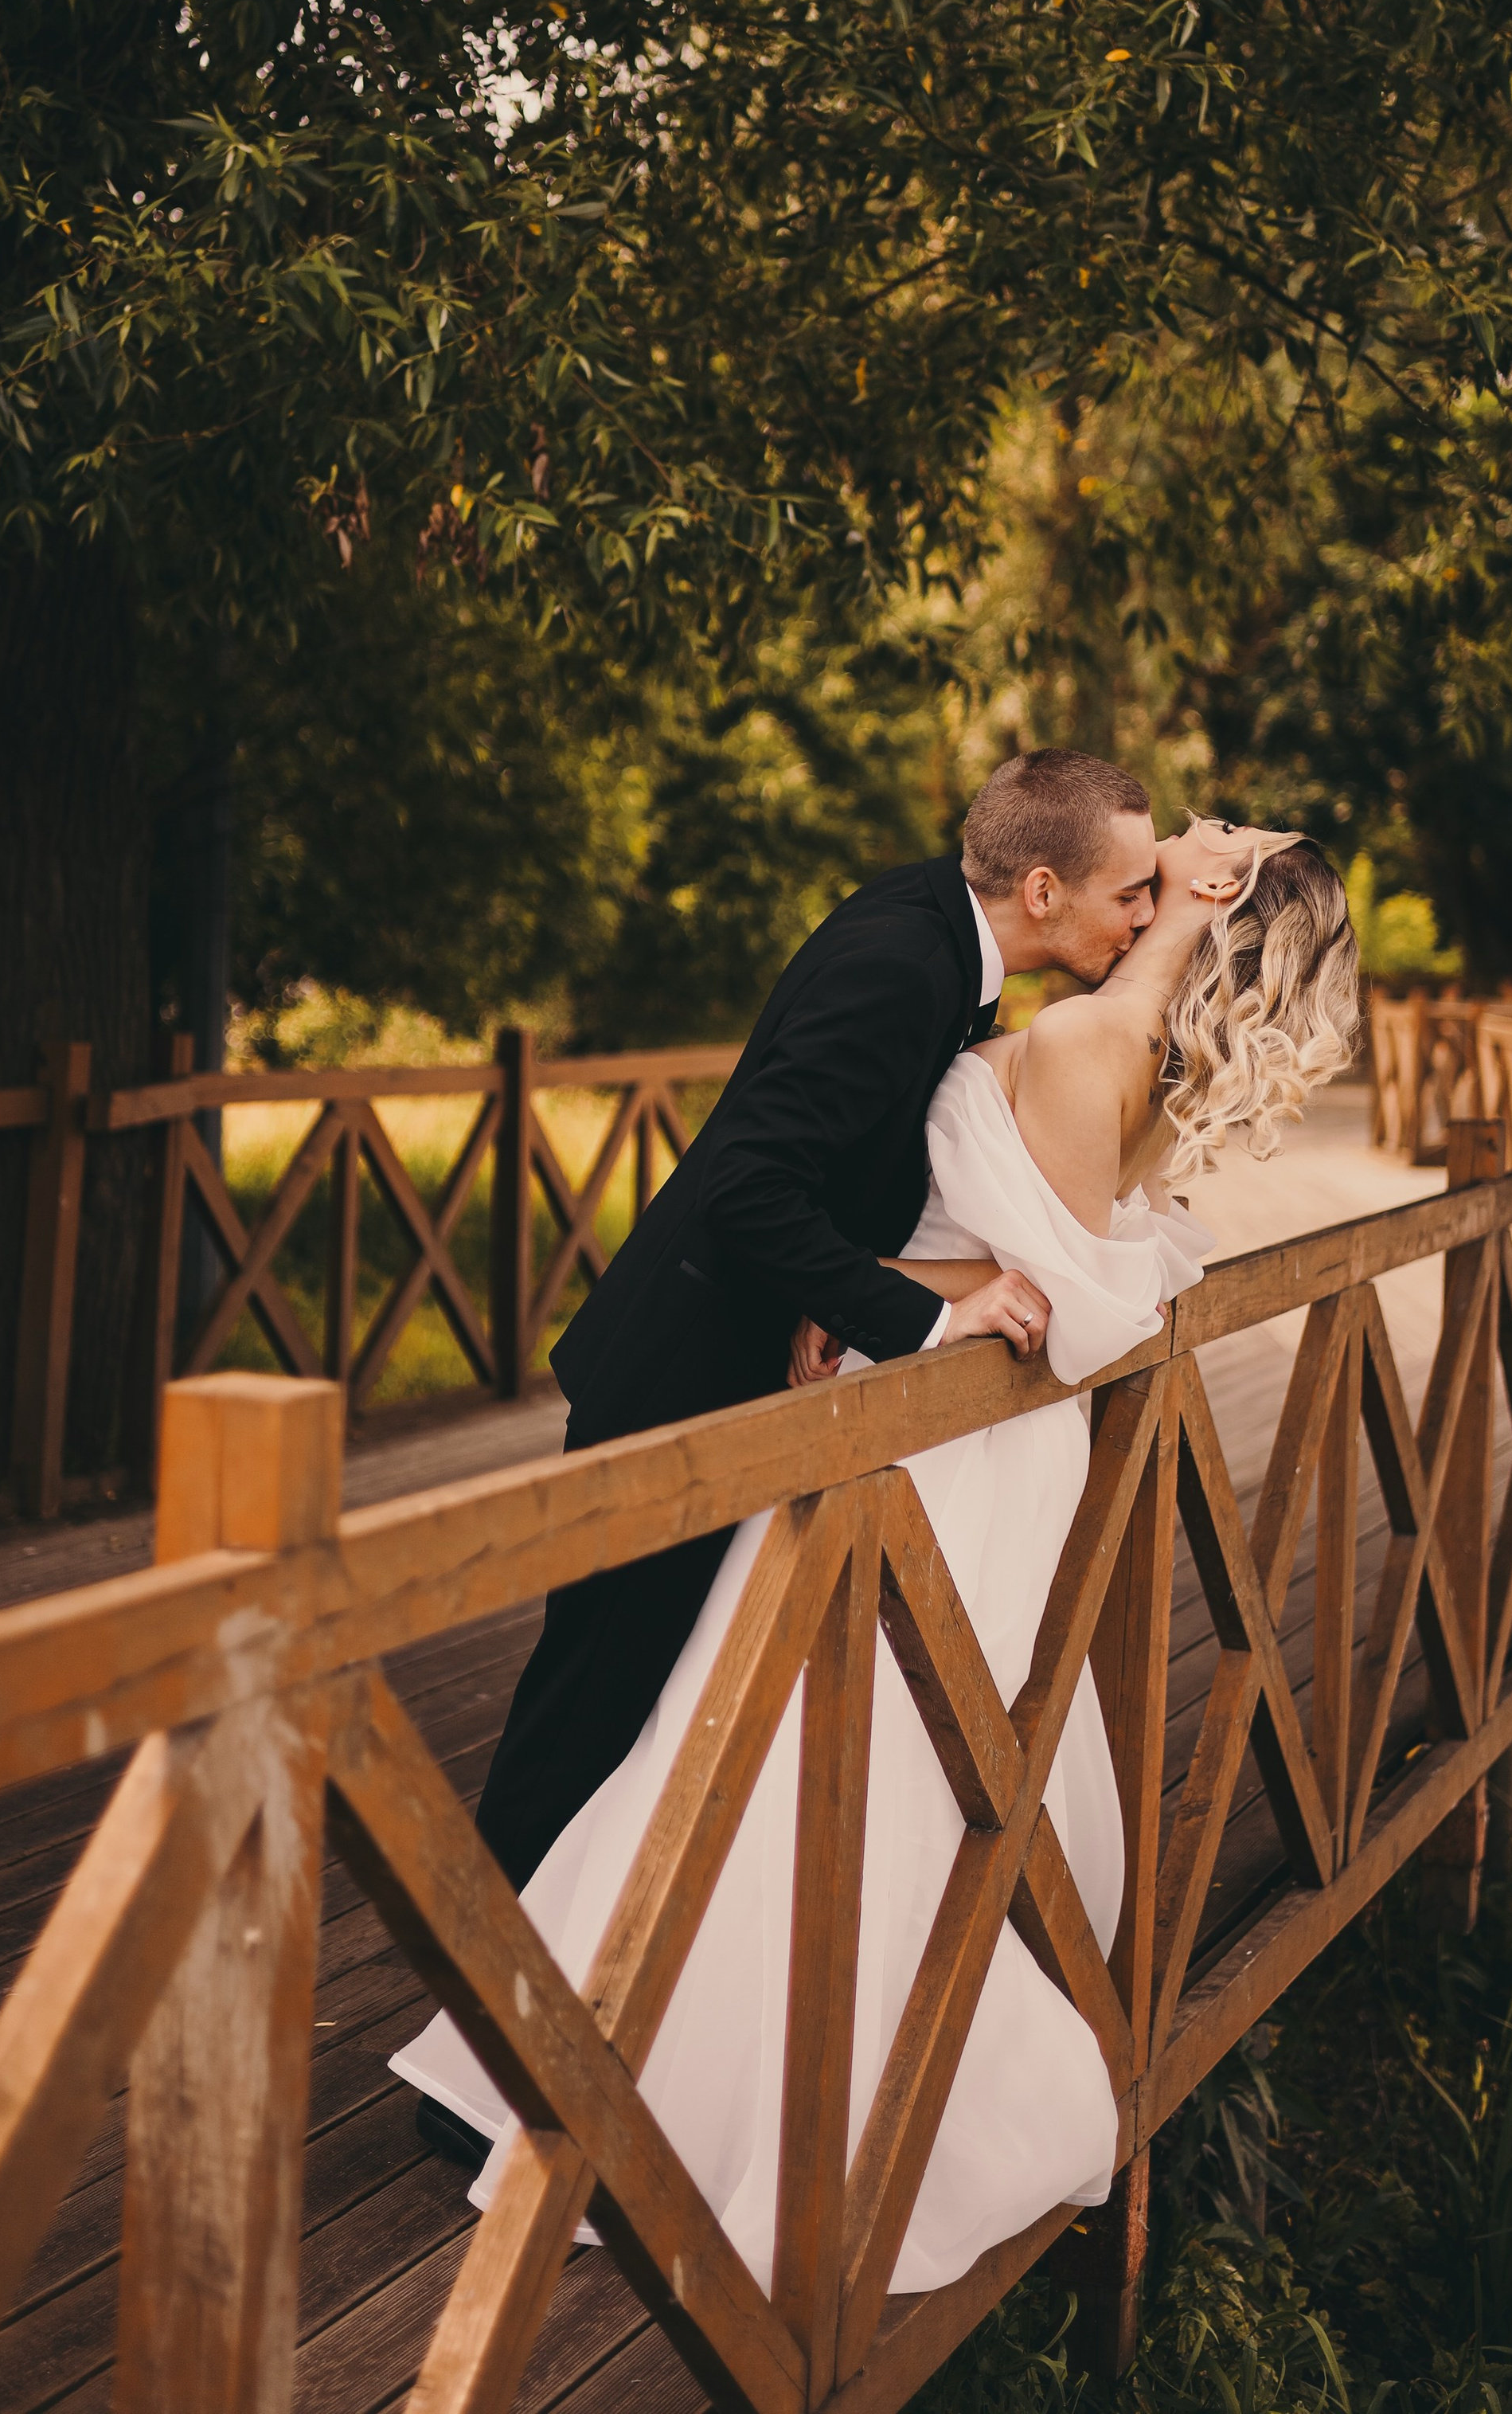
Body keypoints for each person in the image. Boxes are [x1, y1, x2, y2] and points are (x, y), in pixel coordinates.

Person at [395, 809, 1361, 2292]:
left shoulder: (1075, 1035)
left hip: (916, 1438)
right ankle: (571, 2042)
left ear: (1213, 884)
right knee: (774, 1746)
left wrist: (894, 1292)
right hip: (935, 1434)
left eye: (1209, 832)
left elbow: (1053, 1288)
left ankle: (597, 2076)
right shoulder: (1105, 1035)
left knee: (761, 1754)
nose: (1187, 825)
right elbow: (1050, 1264)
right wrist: (902, 1288)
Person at [469, 748, 1162, 1897]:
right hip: (681, 1377)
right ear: (1042, 891)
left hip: (741, 1352)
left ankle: (561, 2011)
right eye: (1129, 892)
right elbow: (747, 1182)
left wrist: (832, 1283)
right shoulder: (904, 962)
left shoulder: (940, 921)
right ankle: (481, 2041)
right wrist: (927, 1320)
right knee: (588, 1715)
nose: (1140, 920)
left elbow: (844, 1150)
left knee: (643, 1706)